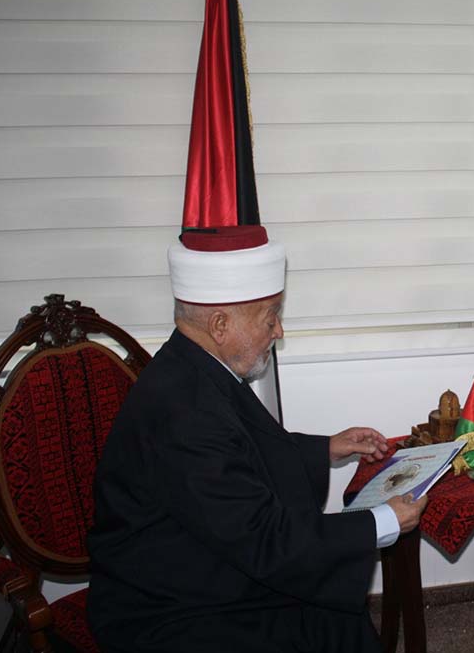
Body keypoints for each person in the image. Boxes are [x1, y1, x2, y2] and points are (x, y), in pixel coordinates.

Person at [89, 225, 426, 653]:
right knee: (324, 616)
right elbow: (265, 538)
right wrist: (383, 523)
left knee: (334, 611)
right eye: (270, 317)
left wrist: (323, 449)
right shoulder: (184, 412)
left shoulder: (192, 366)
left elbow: (237, 454)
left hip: (202, 565)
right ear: (220, 324)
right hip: (171, 607)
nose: (278, 330)